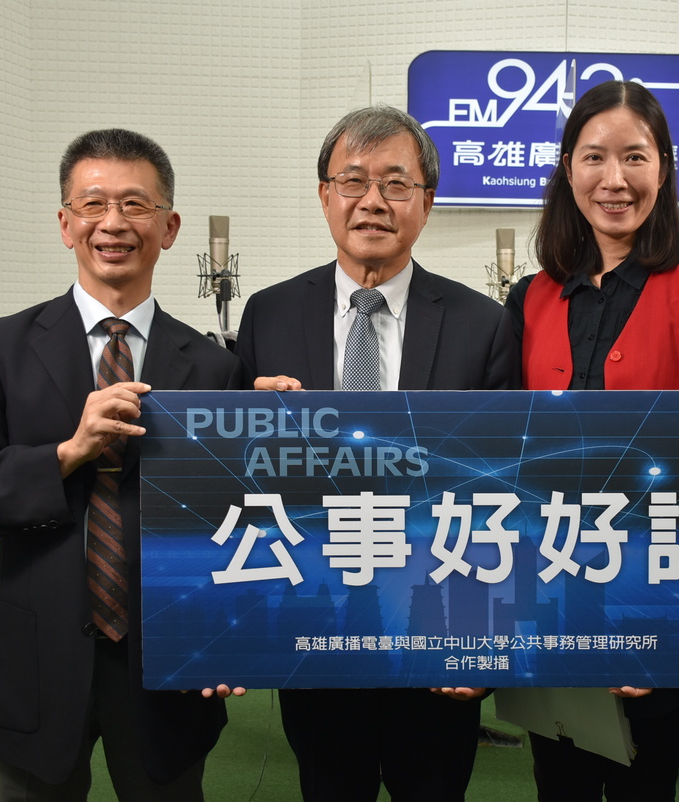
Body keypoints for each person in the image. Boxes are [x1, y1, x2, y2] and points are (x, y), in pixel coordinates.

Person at [0, 129, 240, 801]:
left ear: (170, 226)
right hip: (35, 657)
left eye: (136, 203)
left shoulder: (215, 366)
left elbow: (237, 517)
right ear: (66, 225)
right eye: (93, 204)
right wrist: (67, 454)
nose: (115, 222)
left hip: (169, 660)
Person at [235, 105, 519, 801]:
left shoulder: (483, 324)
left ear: (428, 202)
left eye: (397, 183)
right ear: (324, 195)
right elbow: (235, 477)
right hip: (314, 622)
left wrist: (485, 635)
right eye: (353, 180)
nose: (373, 201)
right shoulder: (268, 314)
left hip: (438, 621)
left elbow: (507, 486)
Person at [503, 80, 679, 801]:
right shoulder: (531, 296)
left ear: (665, 168)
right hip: (551, 593)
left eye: (635, 157)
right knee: (560, 784)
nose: (615, 180)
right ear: (567, 170)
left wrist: (654, 629)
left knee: (646, 787)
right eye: (594, 158)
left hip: (660, 602)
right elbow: (508, 457)